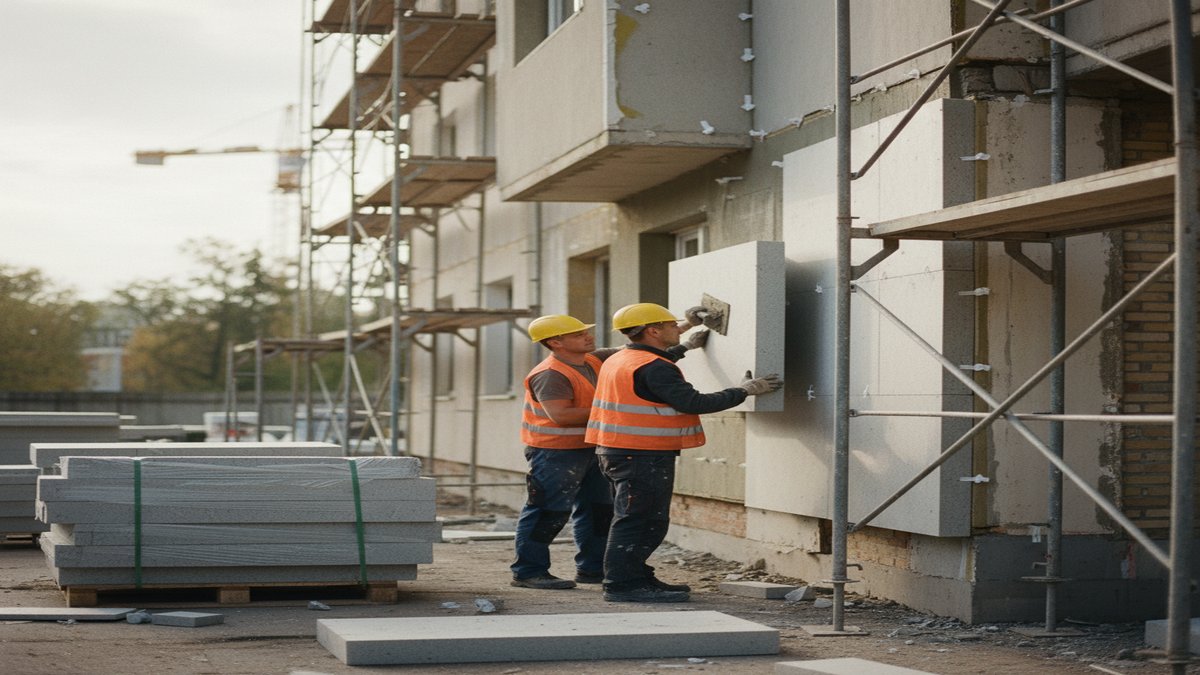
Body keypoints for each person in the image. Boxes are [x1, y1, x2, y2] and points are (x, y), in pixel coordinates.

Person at [585, 302, 783, 603]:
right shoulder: (655, 368)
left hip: (623, 452)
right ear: (653, 330)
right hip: (640, 455)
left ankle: (634, 575)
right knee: (638, 520)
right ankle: (622, 584)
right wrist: (745, 390)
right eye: (670, 325)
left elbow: (652, 370)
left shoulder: (622, 358)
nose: (675, 328)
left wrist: (687, 343)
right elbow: (694, 402)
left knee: (643, 519)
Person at [511, 313, 709, 590]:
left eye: (585, 332)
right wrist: (613, 408)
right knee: (548, 511)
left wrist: (684, 331)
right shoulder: (550, 374)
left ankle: (592, 568)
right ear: (556, 342)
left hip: (595, 446)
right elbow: (561, 415)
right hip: (555, 453)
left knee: (598, 511)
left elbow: (640, 352)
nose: (588, 336)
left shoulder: (594, 359)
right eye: (579, 334)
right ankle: (528, 571)